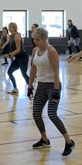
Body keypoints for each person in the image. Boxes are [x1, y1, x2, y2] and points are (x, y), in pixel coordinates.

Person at [27, 27, 75, 155]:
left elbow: (56, 72)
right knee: (36, 113)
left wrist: (56, 91)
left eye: (37, 40)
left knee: (52, 114)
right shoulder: (35, 50)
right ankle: (44, 139)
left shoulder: (51, 51)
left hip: (52, 86)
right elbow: (33, 69)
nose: (35, 42)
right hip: (41, 85)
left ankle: (69, 142)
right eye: (34, 40)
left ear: (44, 39)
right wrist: (30, 86)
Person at [5, 22, 30, 94]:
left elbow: (18, 49)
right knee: (9, 72)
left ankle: (31, 88)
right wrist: (11, 55)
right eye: (9, 27)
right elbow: (13, 48)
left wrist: (10, 55)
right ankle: (15, 88)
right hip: (17, 57)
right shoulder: (10, 36)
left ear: (14, 28)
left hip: (23, 56)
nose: (9, 28)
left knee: (23, 74)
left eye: (10, 27)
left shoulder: (17, 36)